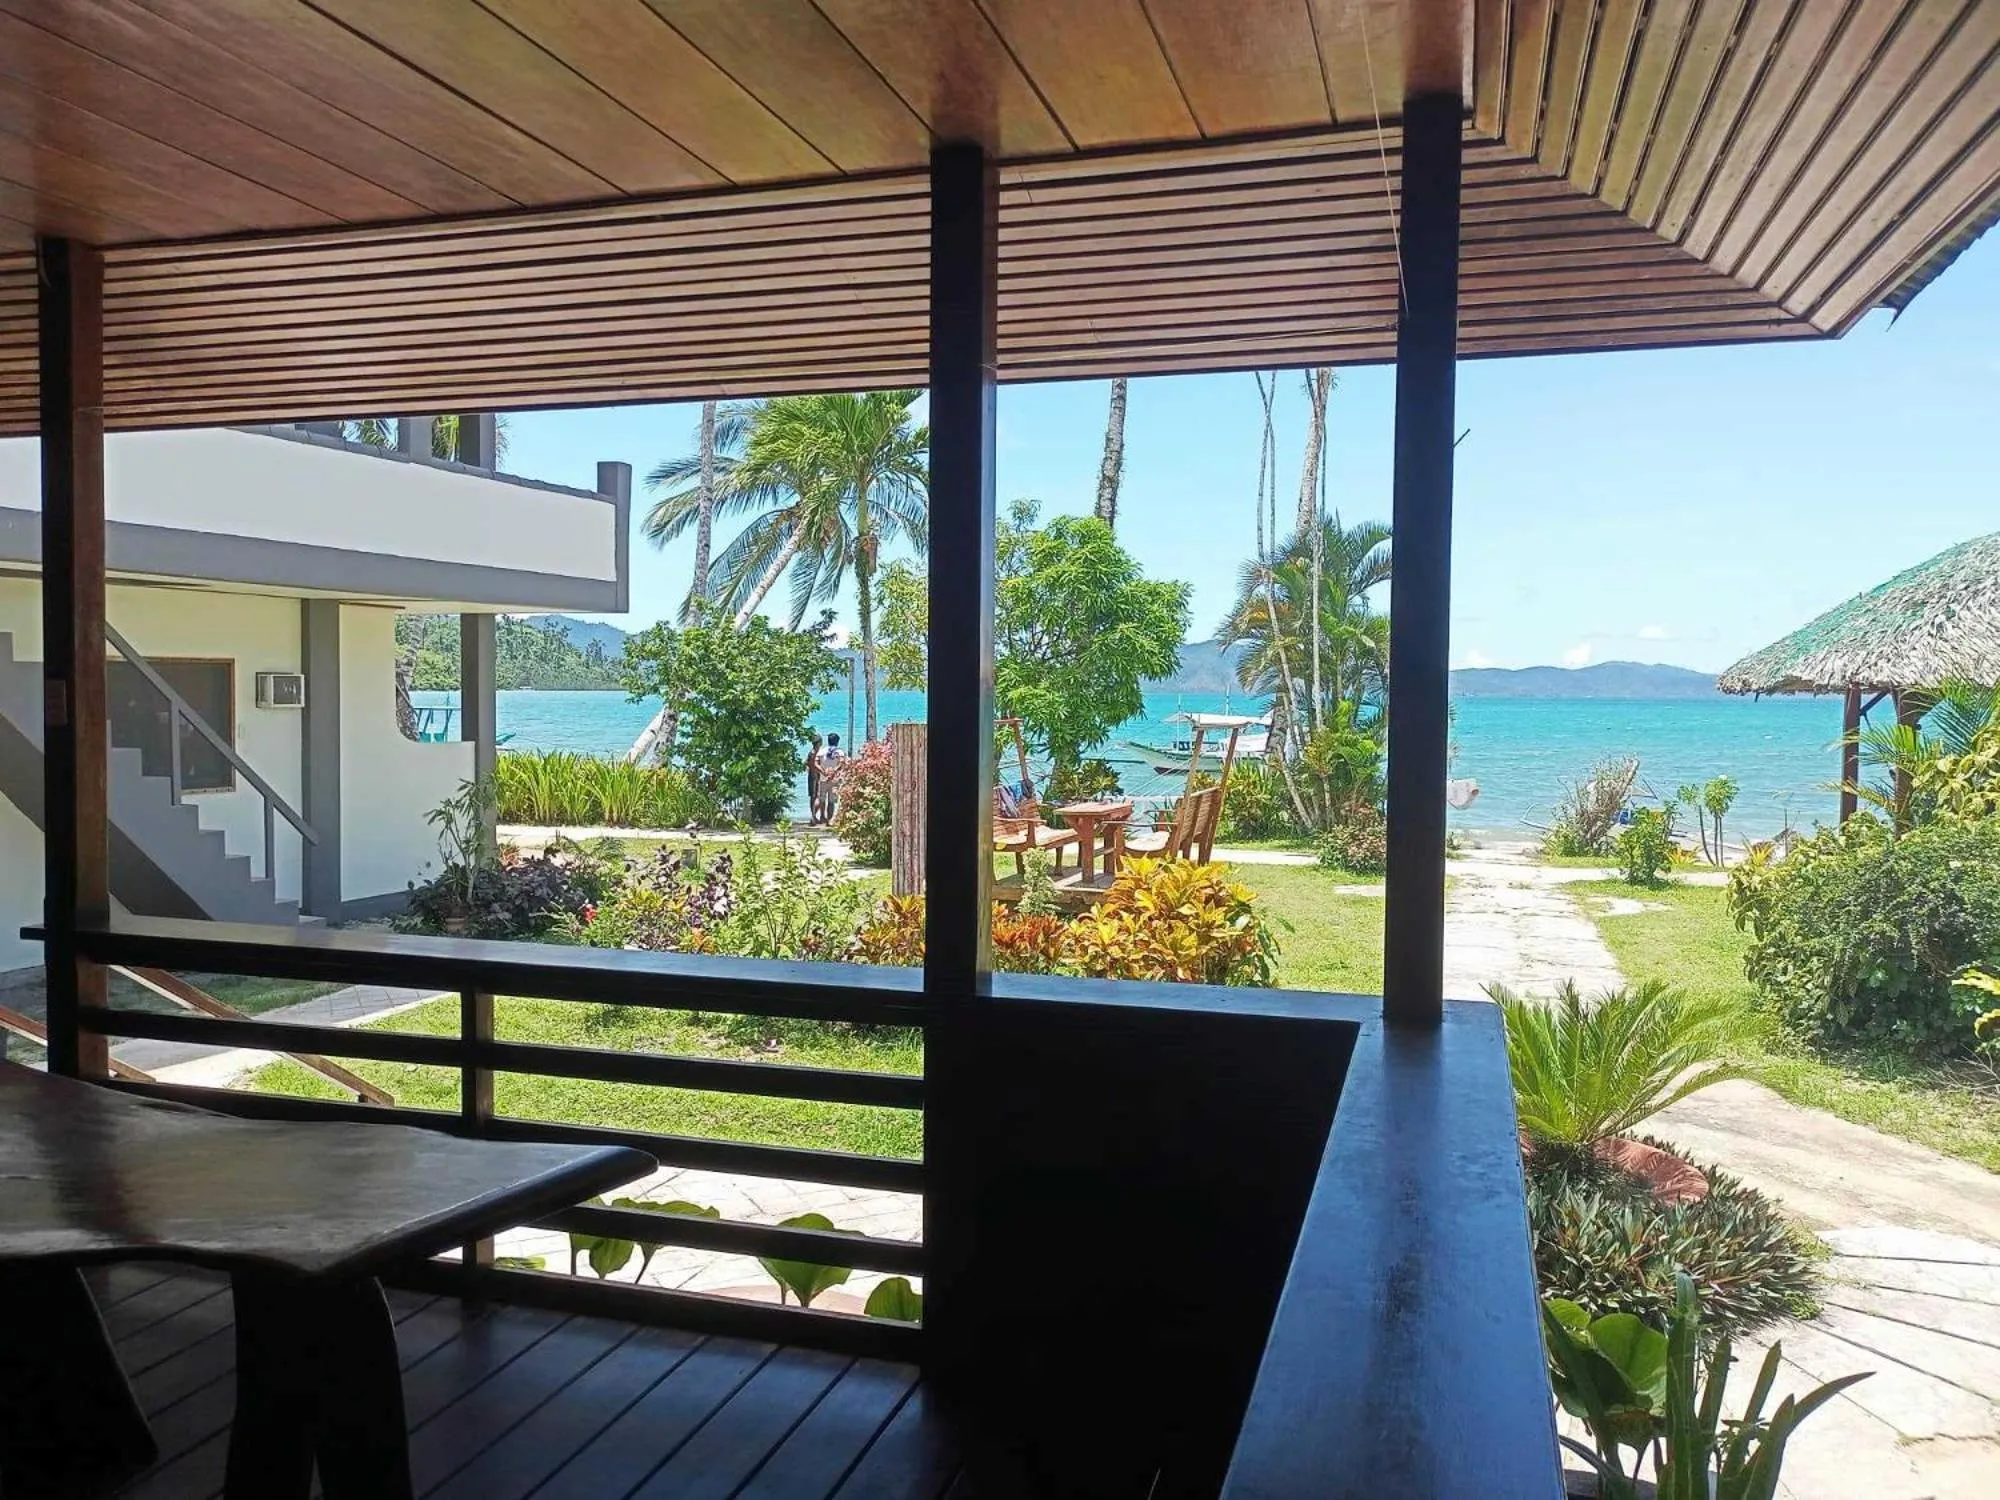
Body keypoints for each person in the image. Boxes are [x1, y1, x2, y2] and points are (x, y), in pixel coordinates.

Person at [815, 733, 845, 823]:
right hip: (834, 779)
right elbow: (841, 763)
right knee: (831, 801)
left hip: (823, 778)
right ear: (837, 742)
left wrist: (823, 772)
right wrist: (833, 772)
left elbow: (816, 764)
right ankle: (829, 819)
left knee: (821, 799)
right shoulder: (840, 752)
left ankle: (820, 817)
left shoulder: (821, 752)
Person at [805, 733, 824, 825]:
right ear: (819, 742)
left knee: (815, 796)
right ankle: (813, 817)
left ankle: (815, 816)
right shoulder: (814, 752)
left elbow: (807, 764)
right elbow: (811, 765)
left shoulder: (814, 752)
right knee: (814, 796)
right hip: (814, 777)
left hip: (814, 776)